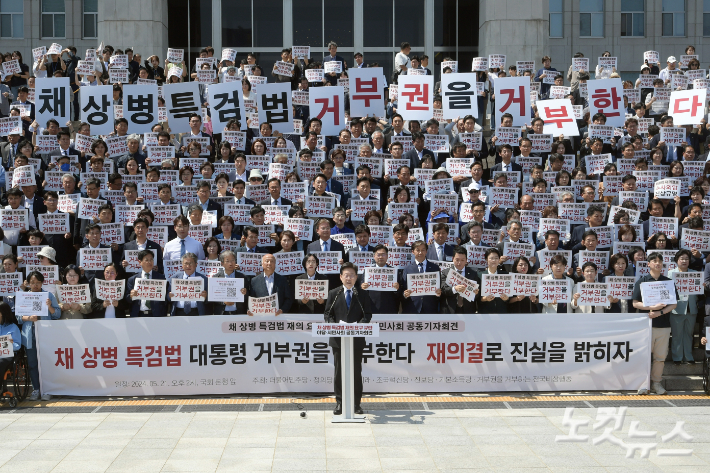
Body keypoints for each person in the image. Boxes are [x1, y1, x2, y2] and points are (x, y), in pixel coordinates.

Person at [323, 262, 372, 416]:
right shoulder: (334, 293)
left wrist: (359, 326)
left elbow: (367, 315)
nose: (349, 278)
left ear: (356, 277)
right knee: (339, 372)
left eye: (352, 275)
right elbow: (327, 314)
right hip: (338, 340)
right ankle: (340, 403)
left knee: (356, 372)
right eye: (346, 275)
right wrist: (334, 326)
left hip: (356, 340)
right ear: (340, 277)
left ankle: (356, 404)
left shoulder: (362, 294)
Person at [632, 252, 678, 395]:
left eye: (660, 261)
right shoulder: (642, 282)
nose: (657, 263)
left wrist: (659, 312)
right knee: (644, 356)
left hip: (663, 324)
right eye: (654, 261)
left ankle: (656, 383)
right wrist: (650, 309)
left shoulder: (668, 282)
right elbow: (635, 303)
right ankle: (643, 384)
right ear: (648, 264)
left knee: (660, 357)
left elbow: (673, 304)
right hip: (645, 325)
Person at [20, 270, 61, 401]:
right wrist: (29, 317)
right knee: (32, 363)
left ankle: (47, 389)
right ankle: (36, 389)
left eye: (38, 282)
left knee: (46, 363)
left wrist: (49, 307)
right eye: (32, 283)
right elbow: (18, 317)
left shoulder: (48, 295)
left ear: (42, 282)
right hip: (29, 334)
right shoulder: (24, 296)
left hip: (45, 334)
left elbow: (57, 314)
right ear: (28, 283)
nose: (35, 285)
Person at [668, 250, 697, 365]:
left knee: (689, 334)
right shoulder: (670, 274)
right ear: (676, 261)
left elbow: (699, 292)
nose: (684, 261)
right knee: (676, 334)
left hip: (691, 308)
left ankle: (689, 357)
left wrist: (702, 286)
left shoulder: (695, 273)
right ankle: (677, 357)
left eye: (686, 259)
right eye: (682, 258)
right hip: (676, 308)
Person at [400, 241, 442, 313]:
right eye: (418, 250)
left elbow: (440, 287)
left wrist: (438, 294)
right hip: (413, 308)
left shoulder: (435, 268)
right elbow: (402, 288)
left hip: (430, 308)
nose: (420, 253)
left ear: (426, 251)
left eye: (423, 250)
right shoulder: (407, 269)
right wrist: (405, 294)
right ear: (413, 252)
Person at [126, 250, 171, 318]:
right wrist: (131, 296)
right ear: (140, 262)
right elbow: (127, 299)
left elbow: (165, 297)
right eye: (146, 260)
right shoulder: (132, 280)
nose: (149, 262)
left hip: (157, 314)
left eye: (151, 259)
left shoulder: (161, 278)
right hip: (138, 314)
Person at [441, 246, 479, 314]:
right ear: (453, 259)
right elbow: (443, 289)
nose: (459, 263)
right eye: (457, 260)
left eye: (462, 260)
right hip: (450, 309)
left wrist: (475, 293)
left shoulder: (473, 273)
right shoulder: (445, 273)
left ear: (466, 260)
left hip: (468, 310)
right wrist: (455, 289)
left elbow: (477, 295)